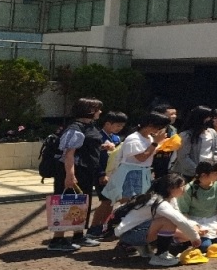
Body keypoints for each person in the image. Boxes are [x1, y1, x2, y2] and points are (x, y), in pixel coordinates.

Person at [48, 97, 108, 251]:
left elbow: (86, 146)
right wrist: (70, 175)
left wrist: (102, 147)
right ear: (89, 111)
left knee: (81, 202)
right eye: (97, 109)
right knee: (65, 201)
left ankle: (78, 235)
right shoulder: (75, 128)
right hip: (75, 170)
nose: (100, 112)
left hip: (86, 170)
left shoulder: (89, 126)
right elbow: (68, 154)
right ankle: (57, 239)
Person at [113, 173, 202, 267]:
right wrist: (195, 237)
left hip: (138, 230)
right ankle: (160, 256)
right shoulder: (159, 202)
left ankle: (146, 246)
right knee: (168, 222)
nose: (184, 189)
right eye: (182, 186)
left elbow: (180, 217)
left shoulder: (170, 199)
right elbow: (179, 220)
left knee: (188, 229)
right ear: (171, 188)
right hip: (129, 234)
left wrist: (196, 227)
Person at [103, 112, 171, 203]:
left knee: (137, 202)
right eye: (159, 127)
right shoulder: (134, 138)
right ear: (150, 125)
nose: (160, 130)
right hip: (130, 173)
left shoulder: (149, 137)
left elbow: (149, 154)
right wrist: (155, 143)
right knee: (128, 202)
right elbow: (141, 157)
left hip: (143, 172)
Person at [87, 111, 127, 239]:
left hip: (113, 174)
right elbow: (95, 158)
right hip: (101, 174)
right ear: (108, 123)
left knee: (110, 201)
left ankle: (102, 226)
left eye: (122, 126)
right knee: (105, 201)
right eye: (117, 126)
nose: (119, 129)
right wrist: (101, 174)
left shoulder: (115, 138)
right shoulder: (98, 136)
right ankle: (93, 228)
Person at [177, 160, 217, 250]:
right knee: (205, 246)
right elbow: (183, 212)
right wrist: (194, 227)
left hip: (215, 219)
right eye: (216, 173)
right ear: (204, 175)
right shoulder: (188, 189)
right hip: (196, 221)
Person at [172, 105, 217, 180]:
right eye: (209, 117)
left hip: (208, 173)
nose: (211, 120)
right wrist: (198, 172)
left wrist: (215, 167)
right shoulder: (186, 136)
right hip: (189, 174)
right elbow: (183, 157)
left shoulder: (212, 133)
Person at [150, 103, 178, 179]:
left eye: (175, 114)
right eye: (171, 114)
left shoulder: (173, 129)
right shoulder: (151, 128)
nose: (174, 116)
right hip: (151, 162)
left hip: (166, 162)